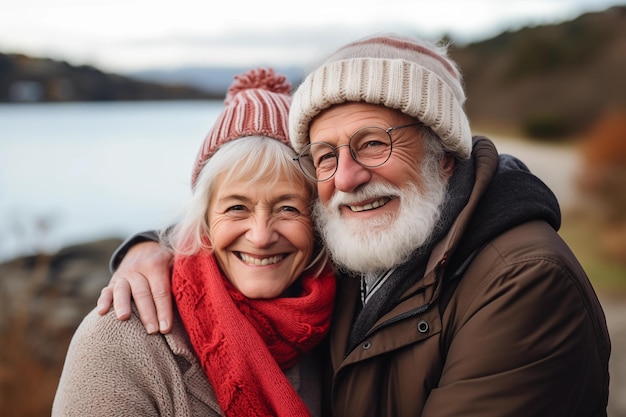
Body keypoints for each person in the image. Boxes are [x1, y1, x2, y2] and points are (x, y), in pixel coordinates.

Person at [98, 34, 611, 417]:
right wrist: (148, 250)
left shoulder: (524, 282)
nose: (346, 178)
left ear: (445, 154)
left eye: (373, 143)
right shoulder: (356, 252)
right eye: (325, 156)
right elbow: (248, 214)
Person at [53, 68, 336, 417]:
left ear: (318, 220)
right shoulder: (119, 340)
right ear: (202, 220)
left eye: (288, 208)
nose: (261, 236)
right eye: (236, 208)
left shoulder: (337, 321)